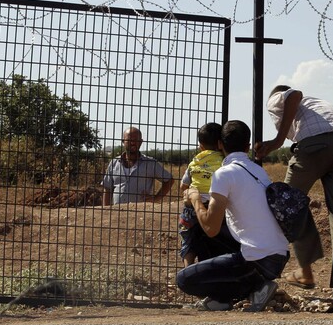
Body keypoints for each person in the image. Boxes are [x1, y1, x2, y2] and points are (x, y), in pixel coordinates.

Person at [254, 85, 333, 309]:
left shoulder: (276, 98)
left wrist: (277, 141)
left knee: (287, 205)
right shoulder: (318, 104)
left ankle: (304, 270)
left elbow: (293, 94)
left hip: (316, 143)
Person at [176, 120, 289, 312]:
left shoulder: (223, 174)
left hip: (258, 260)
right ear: (247, 146)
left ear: (220, 144)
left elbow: (211, 228)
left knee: (184, 279)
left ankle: (256, 287)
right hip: (278, 255)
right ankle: (221, 298)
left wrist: (195, 198)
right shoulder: (258, 170)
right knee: (207, 236)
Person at [178, 122, 239, 267]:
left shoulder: (195, 161)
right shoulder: (225, 162)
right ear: (220, 143)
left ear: (201, 146)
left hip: (193, 207)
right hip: (215, 206)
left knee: (188, 237)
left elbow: (183, 186)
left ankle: (188, 267)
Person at [102, 127, 174, 206]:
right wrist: (106, 210)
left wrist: (156, 198)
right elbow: (107, 189)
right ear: (123, 141)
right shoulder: (114, 163)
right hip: (118, 213)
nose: (133, 143)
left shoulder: (150, 163)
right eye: (129, 140)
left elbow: (169, 180)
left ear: (141, 142)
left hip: (141, 214)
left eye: (136, 140)